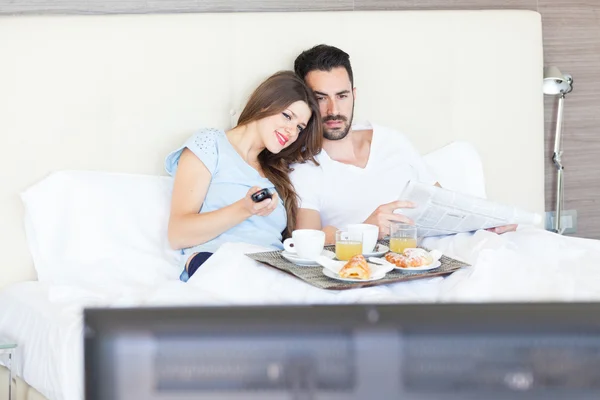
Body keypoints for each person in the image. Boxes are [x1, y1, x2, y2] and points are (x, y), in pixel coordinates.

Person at [290, 44, 516, 244]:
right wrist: (366, 230)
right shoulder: (303, 166)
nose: (334, 110)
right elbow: (306, 242)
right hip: (360, 270)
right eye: (320, 98)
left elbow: (444, 205)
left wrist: (487, 221)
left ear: (354, 94)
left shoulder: (391, 141)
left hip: (422, 260)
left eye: (342, 96)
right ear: (305, 101)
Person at [165, 71, 322, 282]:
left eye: (299, 127)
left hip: (272, 270)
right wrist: (245, 209)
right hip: (218, 263)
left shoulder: (276, 172)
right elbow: (178, 234)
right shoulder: (210, 143)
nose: (291, 131)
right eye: (287, 116)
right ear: (266, 104)